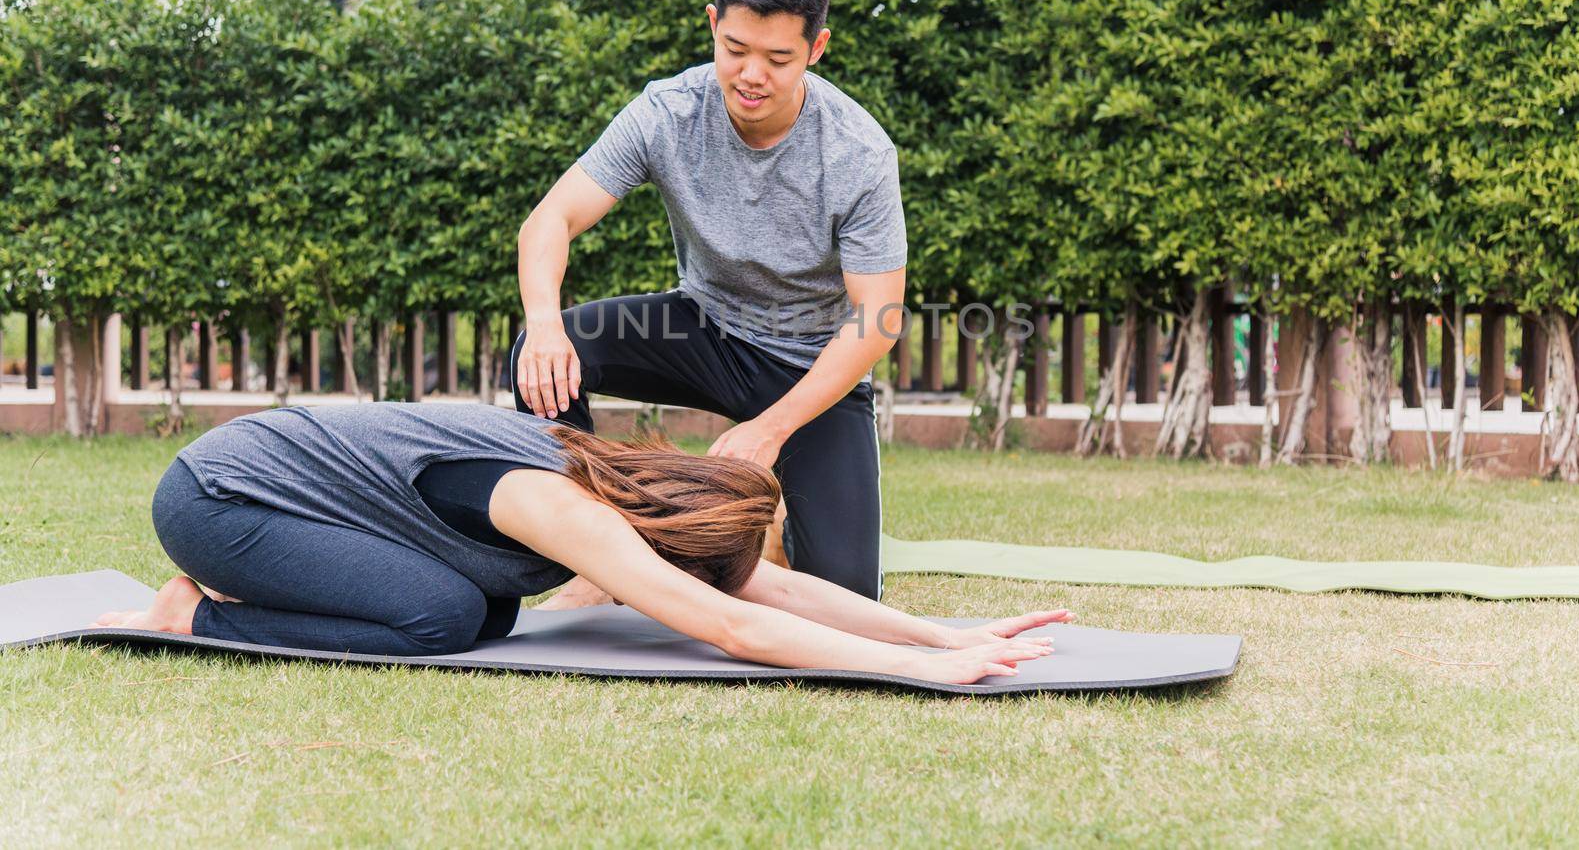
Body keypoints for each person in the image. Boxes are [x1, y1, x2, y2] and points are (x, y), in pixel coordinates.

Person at [94, 403, 1072, 685]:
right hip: (220, 496)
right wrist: (916, 676)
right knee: (440, 618)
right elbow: (729, 624)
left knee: (491, 610)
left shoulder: (616, 482)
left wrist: (941, 636)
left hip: (291, 493)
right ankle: (196, 612)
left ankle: (214, 599)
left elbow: (765, 596)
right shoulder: (563, 507)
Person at [514, 0, 904, 606]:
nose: (752, 74)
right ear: (713, 24)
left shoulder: (858, 152)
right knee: (548, 351)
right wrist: (545, 324)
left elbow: (878, 320)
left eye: (779, 58)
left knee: (845, 602)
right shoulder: (668, 112)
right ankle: (595, 544)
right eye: (735, 49)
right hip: (703, 329)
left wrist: (769, 431)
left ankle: (772, 523)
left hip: (811, 365)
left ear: (816, 48)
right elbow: (551, 220)